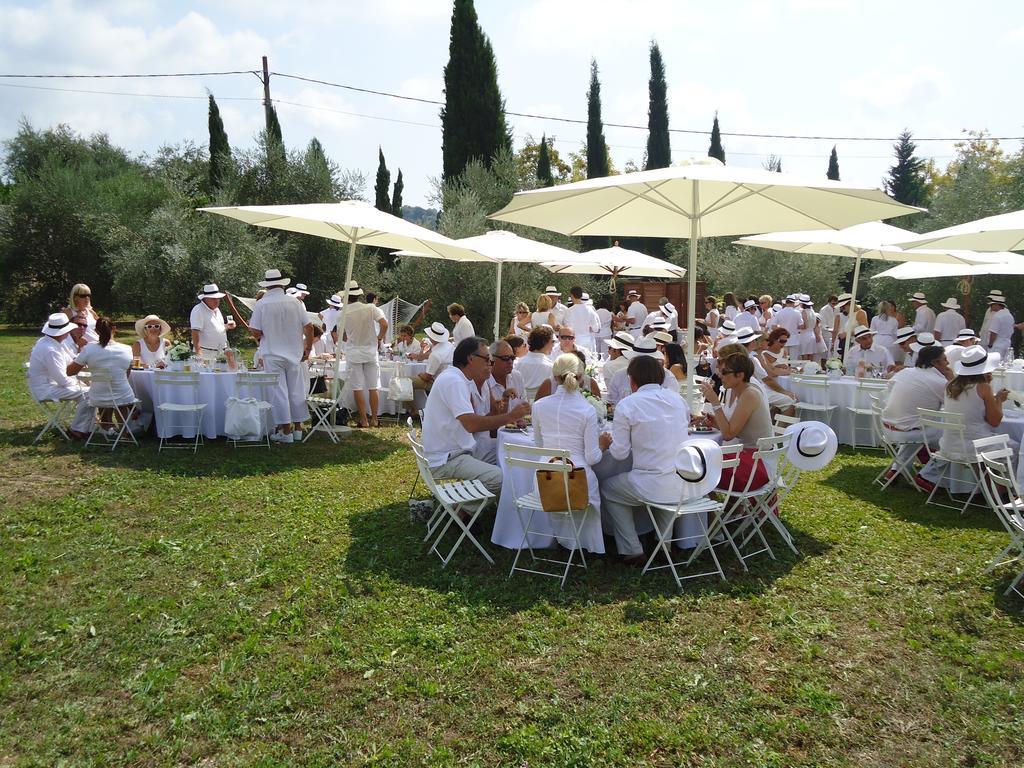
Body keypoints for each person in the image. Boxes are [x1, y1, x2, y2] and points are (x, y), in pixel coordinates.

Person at [600, 355, 690, 564]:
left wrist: (606, 442)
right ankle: (663, 544)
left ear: (632, 380)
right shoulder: (678, 400)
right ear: (661, 377)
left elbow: (620, 454)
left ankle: (632, 549)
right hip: (681, 481)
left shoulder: (628, 405)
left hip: (650, 484)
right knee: (666, 483)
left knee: (608, 488)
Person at [421, 337, 531, 495]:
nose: (490, 364)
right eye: (487, 359)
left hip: (453, 451)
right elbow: (472, 425)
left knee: (506, 458)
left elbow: (475, 423)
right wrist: (511, 416)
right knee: (499, 477)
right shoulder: (454, 381)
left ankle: (463, 505)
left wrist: (500, 410)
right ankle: (460, 511)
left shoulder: (458, 378)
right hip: (446, 458)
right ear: (470, 358)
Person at [917, 345, 1017, 493]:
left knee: (996, 443)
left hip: (949, 445)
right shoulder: (983, 387)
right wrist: (999, 401)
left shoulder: (950, 385)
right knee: (1015, 447)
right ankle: (1005, 491)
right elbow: (995, 421)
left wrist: (994, 400)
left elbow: (972, 410)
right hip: (973, 447)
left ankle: (988, 487)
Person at [532, 353, 604, 522]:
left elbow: (539, 445)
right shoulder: (587, 410)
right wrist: (602, 445)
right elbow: (592, 458)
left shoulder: (538, 406)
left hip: (544, 481)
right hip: (577, 483)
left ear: (555, 377)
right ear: (581, 377)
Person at [248, 269, 314, 444]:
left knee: (280, 393)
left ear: (267, 286)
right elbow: (309, 327)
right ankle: (298, 429)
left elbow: (254, 330)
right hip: (295, 353)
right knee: (296, 391)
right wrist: (308, 349)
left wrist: (262, 333)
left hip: (273, 352)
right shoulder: (295, 303)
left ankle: (286, 432)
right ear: (282, 284)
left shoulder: (262, 304)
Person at [880, 346, 951, 484]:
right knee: (953, 441)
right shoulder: (939, 382)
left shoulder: (905, 372)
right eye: (945, 359)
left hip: (888, 426)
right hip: (907, 430)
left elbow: (888, 389)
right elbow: (955, 404)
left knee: (918, 425)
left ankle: (896, 469)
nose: (948, 363)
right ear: (936, 363)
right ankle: (928, 476)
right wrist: (952, 379)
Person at [28, 313, 96, 439]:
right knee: (89, 393)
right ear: (62, 332)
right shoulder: (51, 349)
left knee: (90, 391)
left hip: (50, 384)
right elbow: (62, 379)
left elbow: (70, 361)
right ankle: (78, 430)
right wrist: (79, 383)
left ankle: (86, 427)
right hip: (47, 389)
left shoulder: (51, 343)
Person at [67, 317, 137, 434]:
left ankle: (106, 426)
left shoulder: (89, 349)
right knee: (119, 397)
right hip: (123, 395)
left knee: (105, 389)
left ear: (96, 331)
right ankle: (125, 431)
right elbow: (126, 374)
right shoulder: (126, 349)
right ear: (114, 329)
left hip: (97, 396)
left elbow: (70, 372)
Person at [339, 281, 388, 428]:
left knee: (357, 387)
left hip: (354, 352)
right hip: (370, 351)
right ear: (358, 295)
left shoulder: (343, 313)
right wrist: (379, 338)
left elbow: (342, 336)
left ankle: (364, 420)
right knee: (373, 387)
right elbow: (384, 324)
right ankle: (374, 419)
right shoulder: (370, 308)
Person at [407, 322, 453, 417]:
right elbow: (429, 354)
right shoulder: (449, 345)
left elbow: (427, 377)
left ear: (431, 337)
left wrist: (420, 374)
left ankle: (415, 410)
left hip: (437, 383)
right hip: (451, 379)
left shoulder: (436, 355)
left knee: (405, 382)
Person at [190, 283, 236, 364]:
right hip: (206, 354)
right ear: (205, 299)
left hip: (221, 353)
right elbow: (195, 332)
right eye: (213, 298)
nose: (216, 300)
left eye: (218, 298)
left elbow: (213, 328)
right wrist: (198, 352)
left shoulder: (217, 310)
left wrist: (227, 326)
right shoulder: (198, 310)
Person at [517, 326, 556, 396]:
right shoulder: (551, 367)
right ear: (544, 342)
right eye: (552, 341)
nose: (554, 345)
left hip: (521, 403)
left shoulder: (518, 363)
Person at [566, 287, 601, 353]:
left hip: (575, 341)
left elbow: (568, 327)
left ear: (572, 295)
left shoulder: (569, 311)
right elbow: (596, 328)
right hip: (587, 341)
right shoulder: (590, 309)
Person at [986, 294, 1015, 359]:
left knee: (993, 365)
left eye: (992, 305)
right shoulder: (1010, 316)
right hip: (1007, 344)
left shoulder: (997, 316)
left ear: (997, 305)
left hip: (997, 346)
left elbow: (994, 333)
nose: (991, 306)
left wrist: (990, 344)